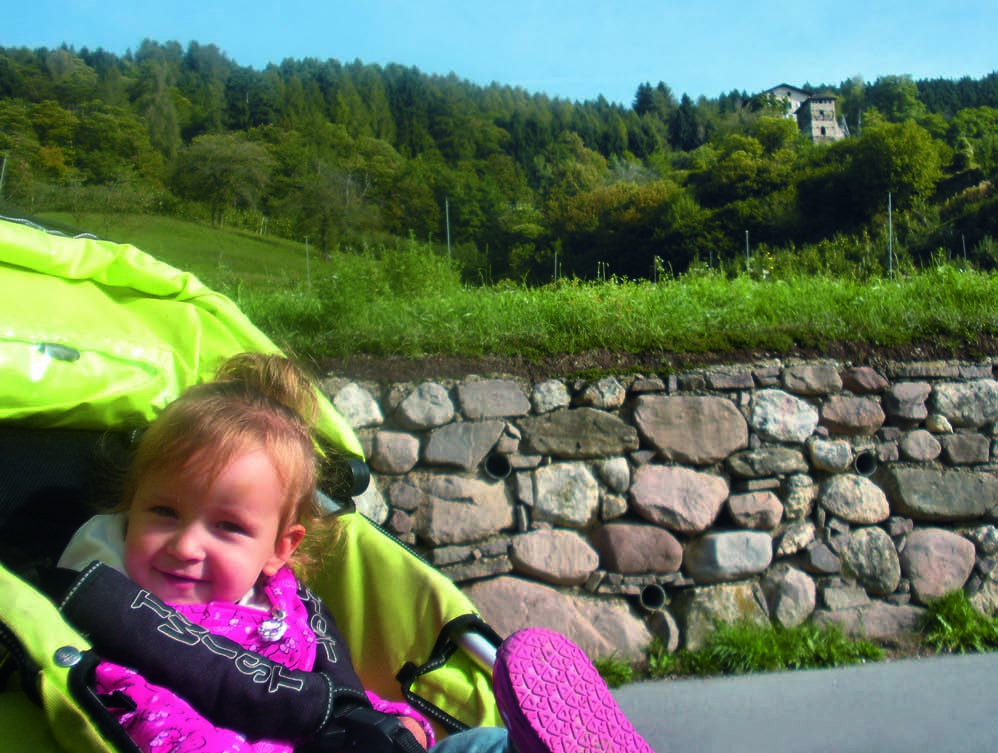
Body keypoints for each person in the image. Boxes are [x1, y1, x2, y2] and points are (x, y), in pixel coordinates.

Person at [57, 352, 653, 753]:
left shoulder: (288, 606)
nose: (186, 546)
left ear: (278, 549)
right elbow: (170, 731)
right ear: (128, 510)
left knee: (480, 746)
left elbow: (340, 690)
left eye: (228, 528)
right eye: (163, 513)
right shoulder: (121, 628)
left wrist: (404, 723)